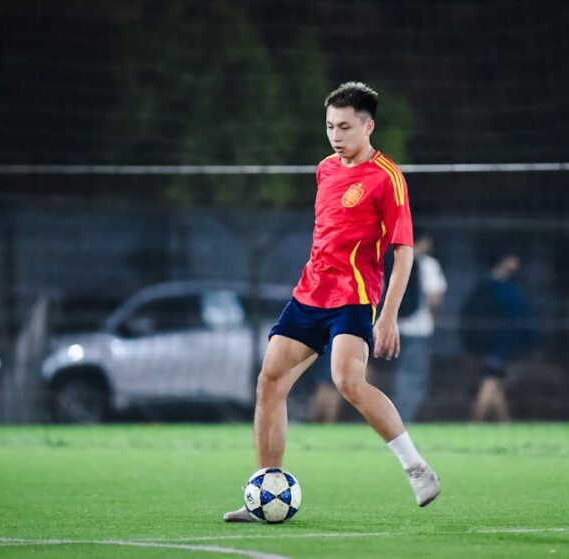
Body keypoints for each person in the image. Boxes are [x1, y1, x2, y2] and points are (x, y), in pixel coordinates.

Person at [223, 82, 440, 522]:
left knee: (347, 381)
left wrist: (389, 315)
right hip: (309, 294)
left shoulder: (387, 178)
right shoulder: (324, 169)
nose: (335, 136)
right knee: (269, 382)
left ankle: (416, 467)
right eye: (329, 126)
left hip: (353, 297)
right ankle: (266, 491)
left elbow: (403, 252)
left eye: (344, 127)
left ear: (368, 126)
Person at [460, 253, 534, 423]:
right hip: (499, 344)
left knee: (495, 383)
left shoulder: (483, 287)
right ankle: (474, 423)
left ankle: (505, 424)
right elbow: (519, 318)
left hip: (489, 344)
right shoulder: (502, 289)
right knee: (491, 381)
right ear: (504, 260)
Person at [391, 230, 447, 422]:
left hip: (392, 328)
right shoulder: (428, 264)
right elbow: (434, 299)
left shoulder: (393, 260)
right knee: (413, 378)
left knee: (394, 377)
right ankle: (402, 421)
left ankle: (389, 417)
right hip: (419, 329)